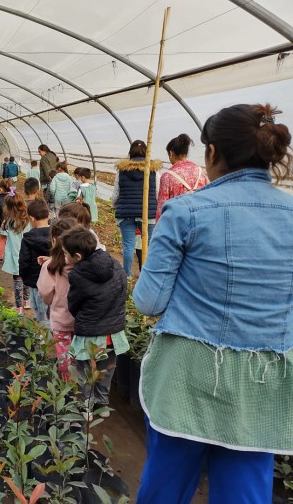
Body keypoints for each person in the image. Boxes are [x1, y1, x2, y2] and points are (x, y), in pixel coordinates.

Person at [133, 104, 293, 504]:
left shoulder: (185, 212)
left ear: (211, 153)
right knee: (244, 491)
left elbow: (148, 301)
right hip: (264, 384)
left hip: (187, 379)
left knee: (166, 488)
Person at [63, 227, 128, 415]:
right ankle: (102, 403)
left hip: (90, 333)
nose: (65, 258)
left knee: (85, 371)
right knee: (106, 369)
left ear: (77, 256)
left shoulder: (78, 275)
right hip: (113, 333)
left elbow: (73, 304)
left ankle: (87, 405)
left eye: (66, 254)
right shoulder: (114, 265)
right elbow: (122, 290)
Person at [112, 139, 161, 277]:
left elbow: (116, 192)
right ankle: (146, 275)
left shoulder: (122, 170)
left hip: (126, 212)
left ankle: (126, 276)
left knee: (128, 246)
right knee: (149, 245)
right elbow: (157, 192)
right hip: (147, 213)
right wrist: (154, 208)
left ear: (130, 153)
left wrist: (114, 205)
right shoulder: (153, 170)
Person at [37, 218, 78, 379]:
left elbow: (45, 292)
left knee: (65, 359)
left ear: (54, 240)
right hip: (83, 320)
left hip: (61, 320)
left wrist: (52, 302)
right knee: (83, 356)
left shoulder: (51, 266)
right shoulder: (83, 262)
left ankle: (69, 390)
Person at [156, 133, 208, 220]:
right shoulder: (200, 172)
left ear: (171, 153)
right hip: (199, 221)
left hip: (177, 224)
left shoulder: (167, 176)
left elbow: (162, 208)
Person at [19, 198, 51, 325]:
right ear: (48, 215)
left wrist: (24, 277)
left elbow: (24, 261)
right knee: (53, 311)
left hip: (36, 282)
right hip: (54, 282)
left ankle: (44, 341)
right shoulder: (56, 235)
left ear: (31, 219)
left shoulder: (28, 238)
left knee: (40, 313)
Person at [1, 189, 32, 313]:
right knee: (27, 278)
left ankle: (19, 307)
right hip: (27, 253)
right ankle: (27, 301)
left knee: (17, 279)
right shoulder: (27, 220)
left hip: (15, 254)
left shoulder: (10, 222)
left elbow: (3, 230)